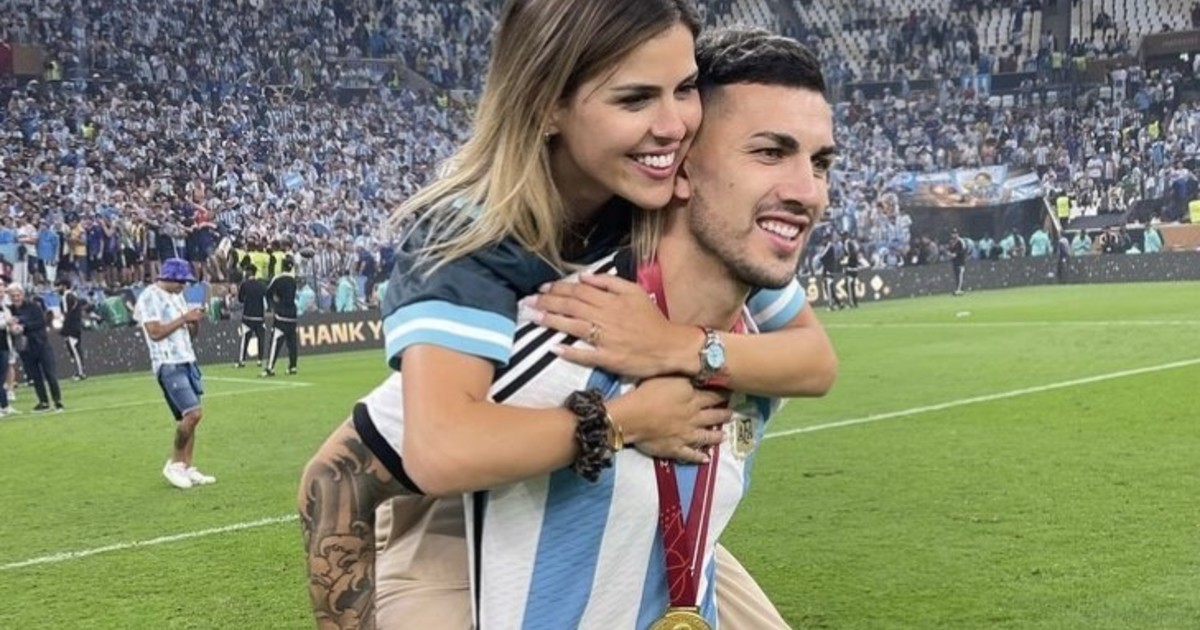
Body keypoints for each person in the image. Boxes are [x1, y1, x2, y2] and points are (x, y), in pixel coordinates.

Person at [299, 5, 836, 628]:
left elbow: (814, 359)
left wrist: (675, 345)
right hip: (448, 514)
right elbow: (429, 451)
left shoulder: (663, 199)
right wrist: (622, 421)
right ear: (547, 105)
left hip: (615, 508)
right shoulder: (478, 238)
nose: (673, 126)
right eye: (634, 98)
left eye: (685, 88)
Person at [132, 258, 214, 489]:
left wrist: (194, 321)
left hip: (187, 359)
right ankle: (175, 464)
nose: (183, 286)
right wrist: (184, 318)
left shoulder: (178, 296)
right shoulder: (149, 296)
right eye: (181, 282)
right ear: (169, 278)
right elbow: (155, 332)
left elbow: (190, 334)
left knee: (191, 418)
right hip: (168, 362)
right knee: (193, 414)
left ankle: (186, 466)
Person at [8, 285, 64, 412]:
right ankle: (43, 401)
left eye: (18, 295)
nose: (16, 298)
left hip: (41, 344)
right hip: (25, 348)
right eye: (13, 296)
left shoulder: (34, 306)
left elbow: (40, 322)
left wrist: (23, 326)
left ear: (22, 295)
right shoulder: (10, 310)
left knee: (50, 374)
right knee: (35, 377)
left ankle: (57, 400)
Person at [264, 255, 299, 376]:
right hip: (292, 314)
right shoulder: (293, 280)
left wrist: (273, 305)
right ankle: (293, 366)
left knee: (275, 342)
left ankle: (270, 368)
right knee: (292, 342)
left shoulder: (278, 279)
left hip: (281, 314)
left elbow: (268, 293)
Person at [235, 264, 268, 369]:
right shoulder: (261, 285)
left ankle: (242, 361)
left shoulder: (244, 285)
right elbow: (267, 296)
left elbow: (240, 299)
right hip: (259, 316)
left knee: (245, 340)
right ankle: (260, 360)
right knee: (261, 339)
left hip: (248, 316)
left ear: (249, 272)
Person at [58, 279, 89, 380]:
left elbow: (66, 314)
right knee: (75, 349)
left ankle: (80, 372)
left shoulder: (66, 297)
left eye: (59, 286)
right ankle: (79, 371)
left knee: (74, 350)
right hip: (76, 326)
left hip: (71, 327)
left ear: (64, 286)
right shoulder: (73, 296)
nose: (57, 289)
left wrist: (64, 328)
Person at [0, 280, 16, 416]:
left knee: (2, 375)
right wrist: (7, 322)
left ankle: (4, 405)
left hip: (4, 344)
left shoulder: (4, 306)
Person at [817, 230, 844, 310]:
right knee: (829, 288)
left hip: (828, 269)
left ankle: (831, 305)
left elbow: (822, 257)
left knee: (828, 287)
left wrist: (820, 257)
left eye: (825, 238)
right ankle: (839, 303)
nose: (824, 240)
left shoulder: (829, 246)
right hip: (827, 269)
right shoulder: (829, 246)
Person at [842, 232, 862, 308]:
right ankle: (854, 302)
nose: (842, 237)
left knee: (849, 286)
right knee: (850, 286)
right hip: (854, 267)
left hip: (850, 267)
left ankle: (852, 303)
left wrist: (845, 262)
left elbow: (849, 254)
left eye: (843, 236)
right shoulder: (853, 243)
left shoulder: (847, 243)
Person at [948, 227, 967, 296]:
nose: (954, 235)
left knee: (960, 275)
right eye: (953, 233)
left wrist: (956, 254)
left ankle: (959, 289)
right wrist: (950, 254)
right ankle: (959, 289)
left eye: (955, 233)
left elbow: (963, 250)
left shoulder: (960, 241)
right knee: (956, 276)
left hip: (960, 261)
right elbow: (950, 250)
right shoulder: (951, 242)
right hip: (954, 261)